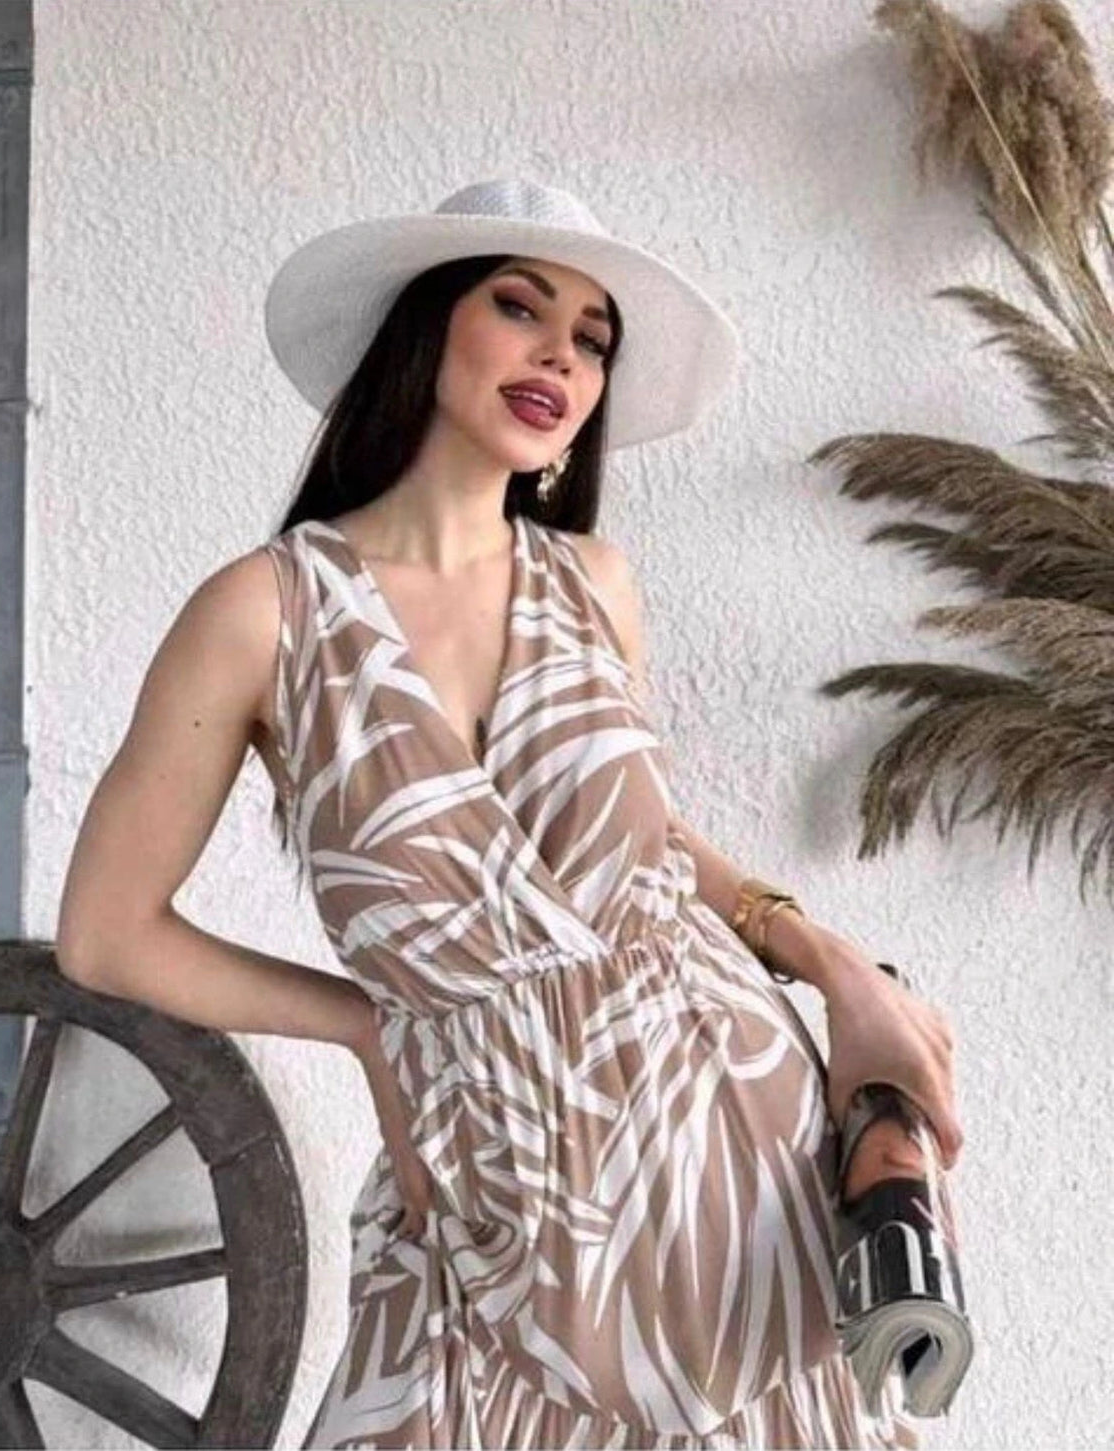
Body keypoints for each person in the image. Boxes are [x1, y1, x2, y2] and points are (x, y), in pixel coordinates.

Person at [55, 178, 962, 1449]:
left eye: (593, 338)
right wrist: (374, 1028)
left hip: (731, 1140)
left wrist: (834, 965)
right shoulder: (263, 614)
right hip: (486, 1174)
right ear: (429, 331)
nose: (562, 356)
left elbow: (644, 846)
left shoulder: (593, 581)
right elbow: (106, 933)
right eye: (520, 306)